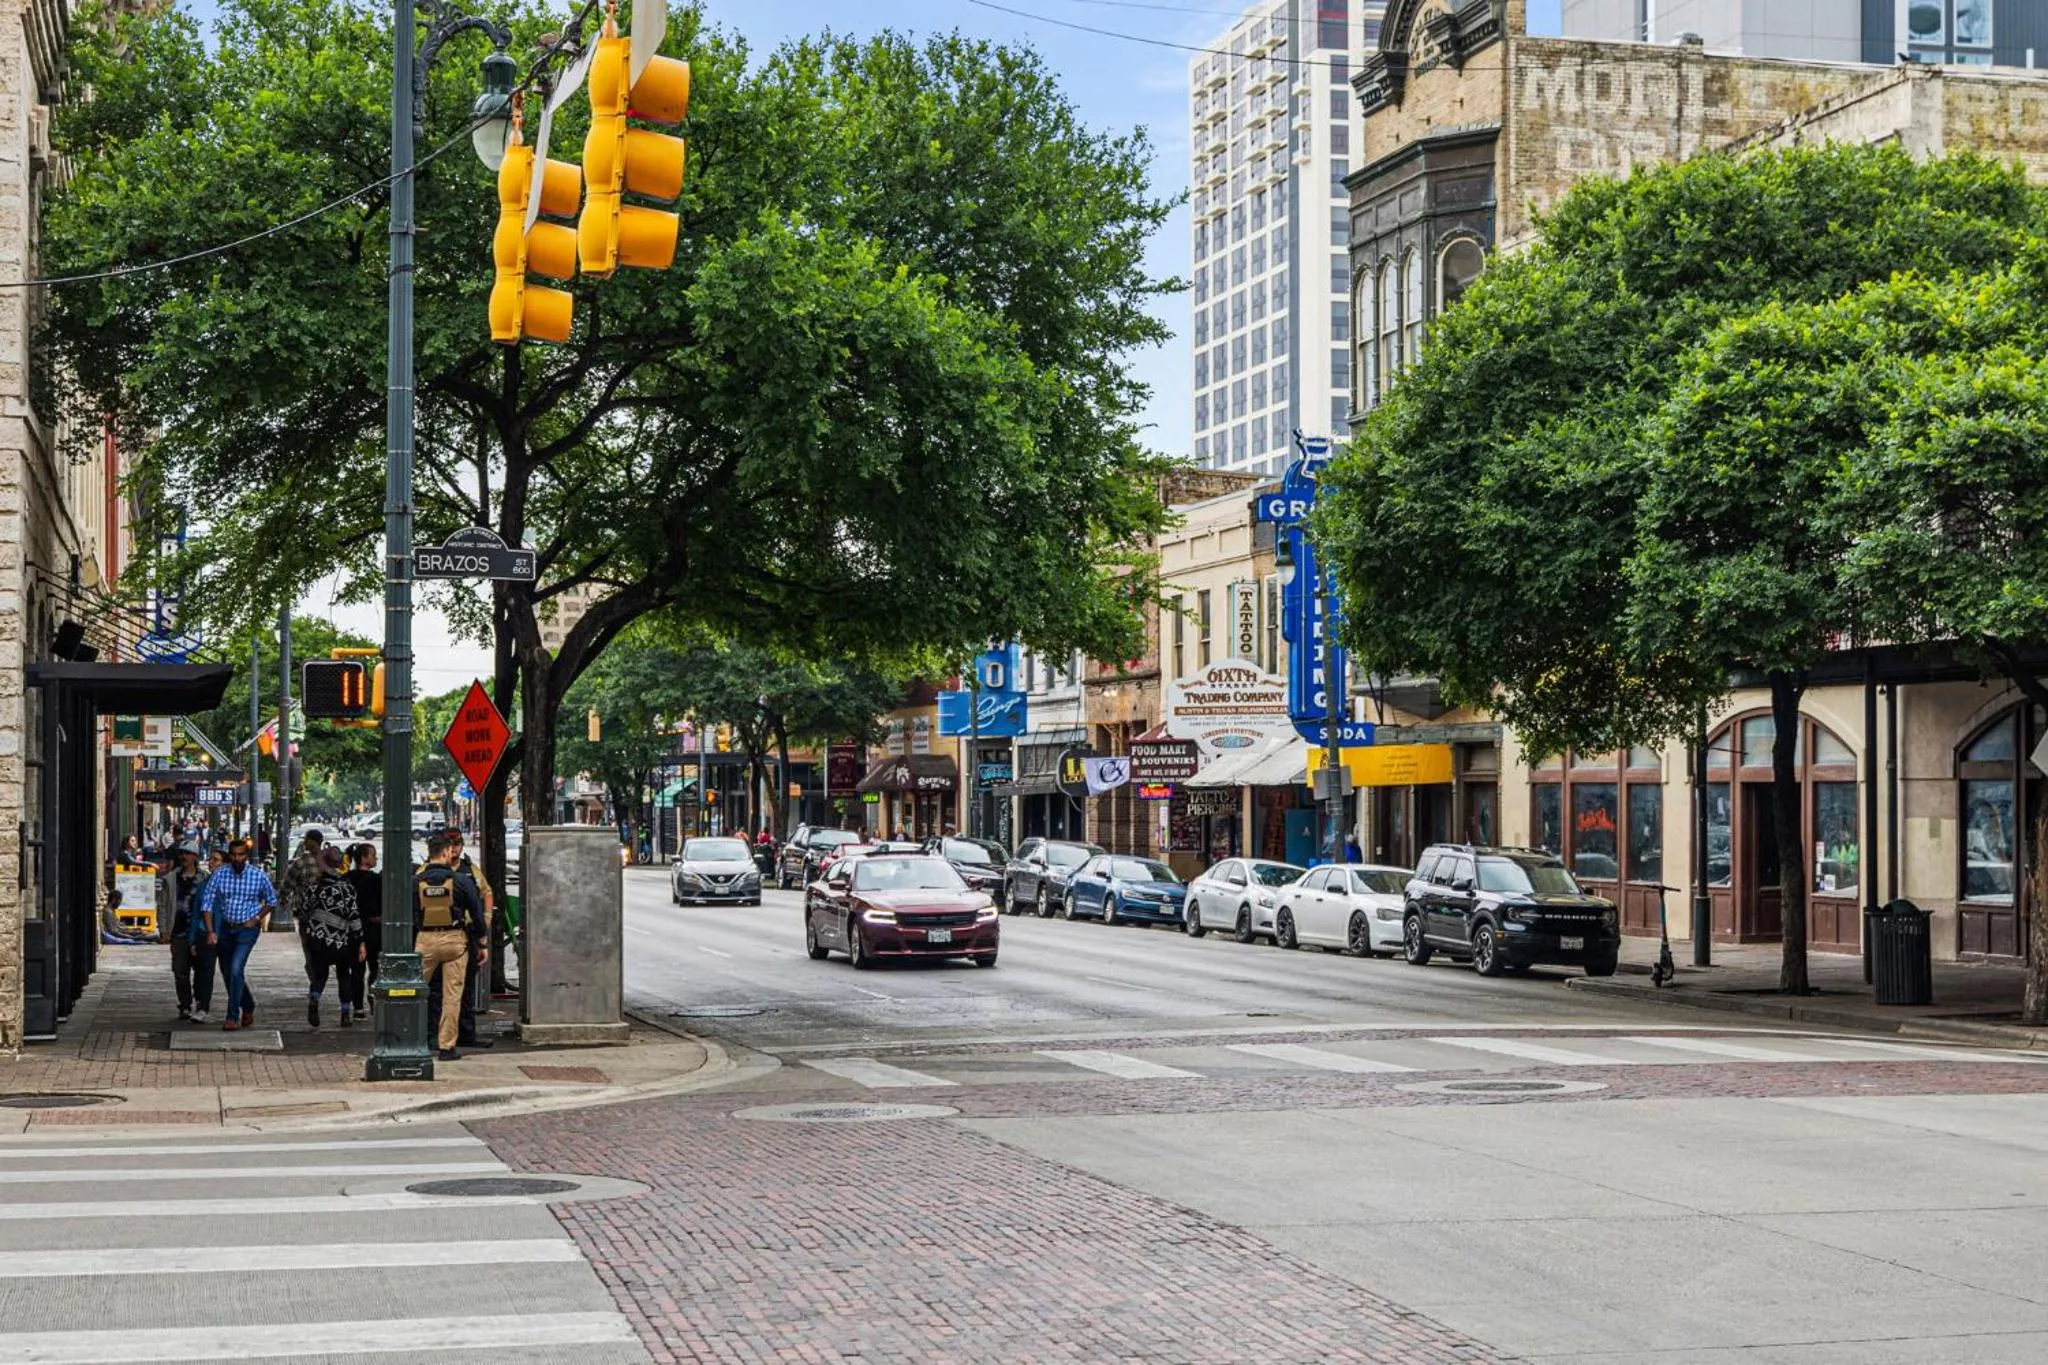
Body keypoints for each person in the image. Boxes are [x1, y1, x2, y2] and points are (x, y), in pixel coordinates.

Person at [415, 830, 485, 1061]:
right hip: (455, 941)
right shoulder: (462, 881)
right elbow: (477, 913)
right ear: (446, 852)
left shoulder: (417, 880)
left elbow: (409, 913)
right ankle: (447, 1047)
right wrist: (481, 941)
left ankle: (415, 1041)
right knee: (452, 996)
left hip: (424, 941)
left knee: (415, 992)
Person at [196, 838, 275, 1030]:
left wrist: (256, 918)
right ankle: (247, 1004)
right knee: (229, 972)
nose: (238, 859)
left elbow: (271, 900)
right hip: (225, 928)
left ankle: (232, 1016)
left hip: (247, 929)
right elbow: (206, 903)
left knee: (236, 967)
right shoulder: (220, 875)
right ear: (230, 856)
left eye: (241, 855)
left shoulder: (258, 876)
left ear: (246, 856)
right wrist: (211, 931)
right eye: (234, 855)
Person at [439, 830, 495, 1050]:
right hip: (440, 933)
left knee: (466, 988)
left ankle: (466, 1033)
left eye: (458, 844)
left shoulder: (470, 870)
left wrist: (486, 918)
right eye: (450, 844)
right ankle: (438, 1035)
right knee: (438, 990)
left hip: (468, 934)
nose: (455, 848)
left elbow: (486, 893)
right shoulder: (433, 870)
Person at [300, 847, 366, 1027]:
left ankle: (314, 999)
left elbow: (304, 910)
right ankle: (345, 1013)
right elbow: (353, 915)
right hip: (341, 939)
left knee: (319, 975)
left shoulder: (314, 886)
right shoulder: (346, 888)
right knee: (344, 975)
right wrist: (360, 939)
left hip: (318, 938)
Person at [169, 847, 214, 1022]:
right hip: (179, 931)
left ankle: (201, 1004)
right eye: (181, 853)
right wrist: (165, 929)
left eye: (187, 853)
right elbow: (165, 904)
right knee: (180, 970)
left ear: (195, 856)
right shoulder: (172, 878)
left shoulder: (205, 879)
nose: (184, 857)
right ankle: (185, 1005)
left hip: (199, 932)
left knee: (201, 971)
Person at [344, 842, 382, 1005]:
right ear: (364, 858)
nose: (376, 858)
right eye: (373, 855)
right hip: (372, 928)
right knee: (375, 966)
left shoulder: (346, 878)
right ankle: (372, 993)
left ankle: (358, 1006)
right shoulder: (376, 879)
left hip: (351, 929)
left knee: (356, 969)